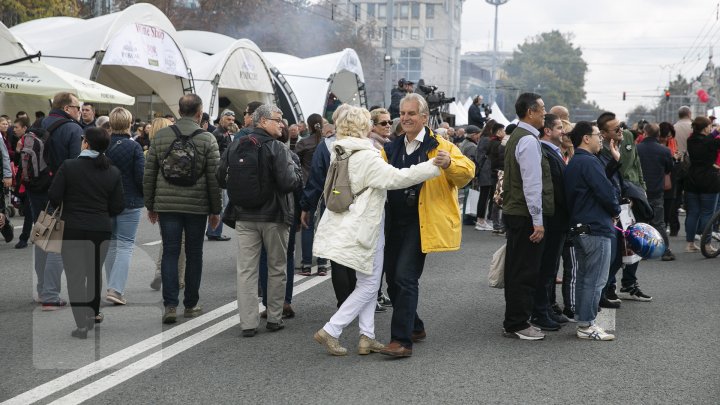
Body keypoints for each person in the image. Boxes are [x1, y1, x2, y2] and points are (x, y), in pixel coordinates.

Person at [312, 105, 442, 356]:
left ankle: (367, 336)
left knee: (366, 281)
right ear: (363, 127)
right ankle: (332, 329)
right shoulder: (366, 155)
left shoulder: (339, 151)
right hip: (368, 227)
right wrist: (432, 166)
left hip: (351, 223)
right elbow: (397, 178)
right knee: (370, 285)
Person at [379, 93, 475, 357]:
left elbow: (467, 173)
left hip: (420, 222)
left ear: (424, 117)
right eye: (403, 113)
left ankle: (401, 341)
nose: (406, 118)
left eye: (412, 114)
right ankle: (416, 326)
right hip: (392, 222)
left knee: (405, 278)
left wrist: (449, 164)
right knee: (392, 281)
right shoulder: (391, 147)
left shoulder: (440, 145)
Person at [218, 104, 302, 337]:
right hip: (274, 216)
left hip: (244, 216)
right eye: (278, 119)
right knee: (276, 267)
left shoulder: (236, 144)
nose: (282, 124)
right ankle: (274, 318)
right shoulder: (276, 147)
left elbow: (220, 177)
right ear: (263, 122)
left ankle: (248, 323)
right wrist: (296, 174)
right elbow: (287, 183)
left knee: (246, 270)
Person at [143, 94, 222, 324]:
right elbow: (213, 179)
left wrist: (151, 204)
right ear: (199, 113)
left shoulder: (161, 136)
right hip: (197, 206)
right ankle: (191, 304)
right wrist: (215, 210)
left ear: (179, 111)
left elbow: (149, 174)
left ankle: (169, 305)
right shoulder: (207, 139)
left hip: (167, 205)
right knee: (194, 253)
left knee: (170, 251)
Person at [48, 127, 124, 338]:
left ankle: (82, 324)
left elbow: (54, 196)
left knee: (75, 276)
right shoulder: (112, 171)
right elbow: (118, 206)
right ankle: (93, 313)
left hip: (72, 228)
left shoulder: (69, 166)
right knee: (94, 273)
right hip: (100, 228)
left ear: (86, 143)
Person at [501, 92, 552, 341]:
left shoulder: (516, 136)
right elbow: (532, 184)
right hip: (525, 215)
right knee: (525, 271)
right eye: (542, 108)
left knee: (515, 269)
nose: (545, 112)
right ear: (530, 111)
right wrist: (538, 221)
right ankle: (518, 322)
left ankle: (514, 320)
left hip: (515, 212)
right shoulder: (529, 141)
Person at [564, 121, 620, 341]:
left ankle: (583, 320)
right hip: (596, 227)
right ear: (586, 138)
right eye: (598, 135)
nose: (601, 139)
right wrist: (615, 209)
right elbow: (606, 192)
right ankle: (587, 324)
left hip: (580, 227)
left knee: (585, 278)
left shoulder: (576, 161)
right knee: (595, 279)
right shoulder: (589, 161)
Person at [35, 92, 84, 309]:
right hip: (60, 192)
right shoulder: (73, 128)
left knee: (41, 238)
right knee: (57, 243)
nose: (79, 111)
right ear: (67, 108)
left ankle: (41, 289)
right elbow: (76, 164)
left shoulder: (38, 123)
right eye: (77, 107)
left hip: (36, 189)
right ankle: (50, 295)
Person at [532, 113, 571, 330]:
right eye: (559, 128)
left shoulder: (552, 151)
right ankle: (540, 311)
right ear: (547, 131)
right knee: (546, 267)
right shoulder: (545, 152)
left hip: (557, 218)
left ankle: (547, 307)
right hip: (552, 218)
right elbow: (554, 189)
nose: (563, 131)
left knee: (551, 267)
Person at [103, 107, 145, 305]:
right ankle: (116, 289)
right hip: (130, 200)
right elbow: (140, 177)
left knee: (111, 244)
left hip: (106, 201)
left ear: (110, 123)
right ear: (130, 124)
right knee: (125, 245)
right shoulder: (134, 147)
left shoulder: (103, 145)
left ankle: (113, 285)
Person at [145, 118, 186, 291]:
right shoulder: (179, 146)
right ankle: (179, 277)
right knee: (181, 241)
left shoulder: (151, 150)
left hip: (161, 201)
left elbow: (148, 178)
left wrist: (150, 205)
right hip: (180, 199)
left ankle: (159, 273)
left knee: (167, 240)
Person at [295, 113, 330, 276]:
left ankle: (307, 264)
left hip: (308, 187)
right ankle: (322, 264)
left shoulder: (303, 143)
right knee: (323, 227)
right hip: (327, 189)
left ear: (308, 126)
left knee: (307, 226)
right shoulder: (327, 144)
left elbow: (296, 164)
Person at [636, 123, 674, 261]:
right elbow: (669, 168)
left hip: (639, 191)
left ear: (644, 133)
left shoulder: (637, 148)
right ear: (658, 135)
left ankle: (641, 250)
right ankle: (666, 251)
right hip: (657, 190)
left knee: (640, 221)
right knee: (659, 222)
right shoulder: (664, 150)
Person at [684, 116, 720, 252]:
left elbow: (708, 139)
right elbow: (711, 141)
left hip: (692, 179)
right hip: (709, 180)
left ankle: (690, 243)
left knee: (693, 213)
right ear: (706, 128)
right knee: (707, 213)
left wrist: (715, 132)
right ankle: (706, 244)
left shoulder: (690, 140)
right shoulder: (710, 142)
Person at [206, 109, 236, 242]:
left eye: (232, 120)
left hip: (223, 172)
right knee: (220, 204)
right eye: (228, 119)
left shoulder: (224, 133)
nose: (231, 122)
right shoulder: (217, 134)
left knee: (220, 203)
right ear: (222, 119)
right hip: (219, 173)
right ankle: (214, 231)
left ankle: (213, 230)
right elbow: (213, 154)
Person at [474, 120, 496, 231]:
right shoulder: (487, 140)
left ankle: (481, 220)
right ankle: (481, 220)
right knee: (484, 196)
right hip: (486, 171)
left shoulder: (483, 139)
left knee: (484, 196)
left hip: (484, 170)